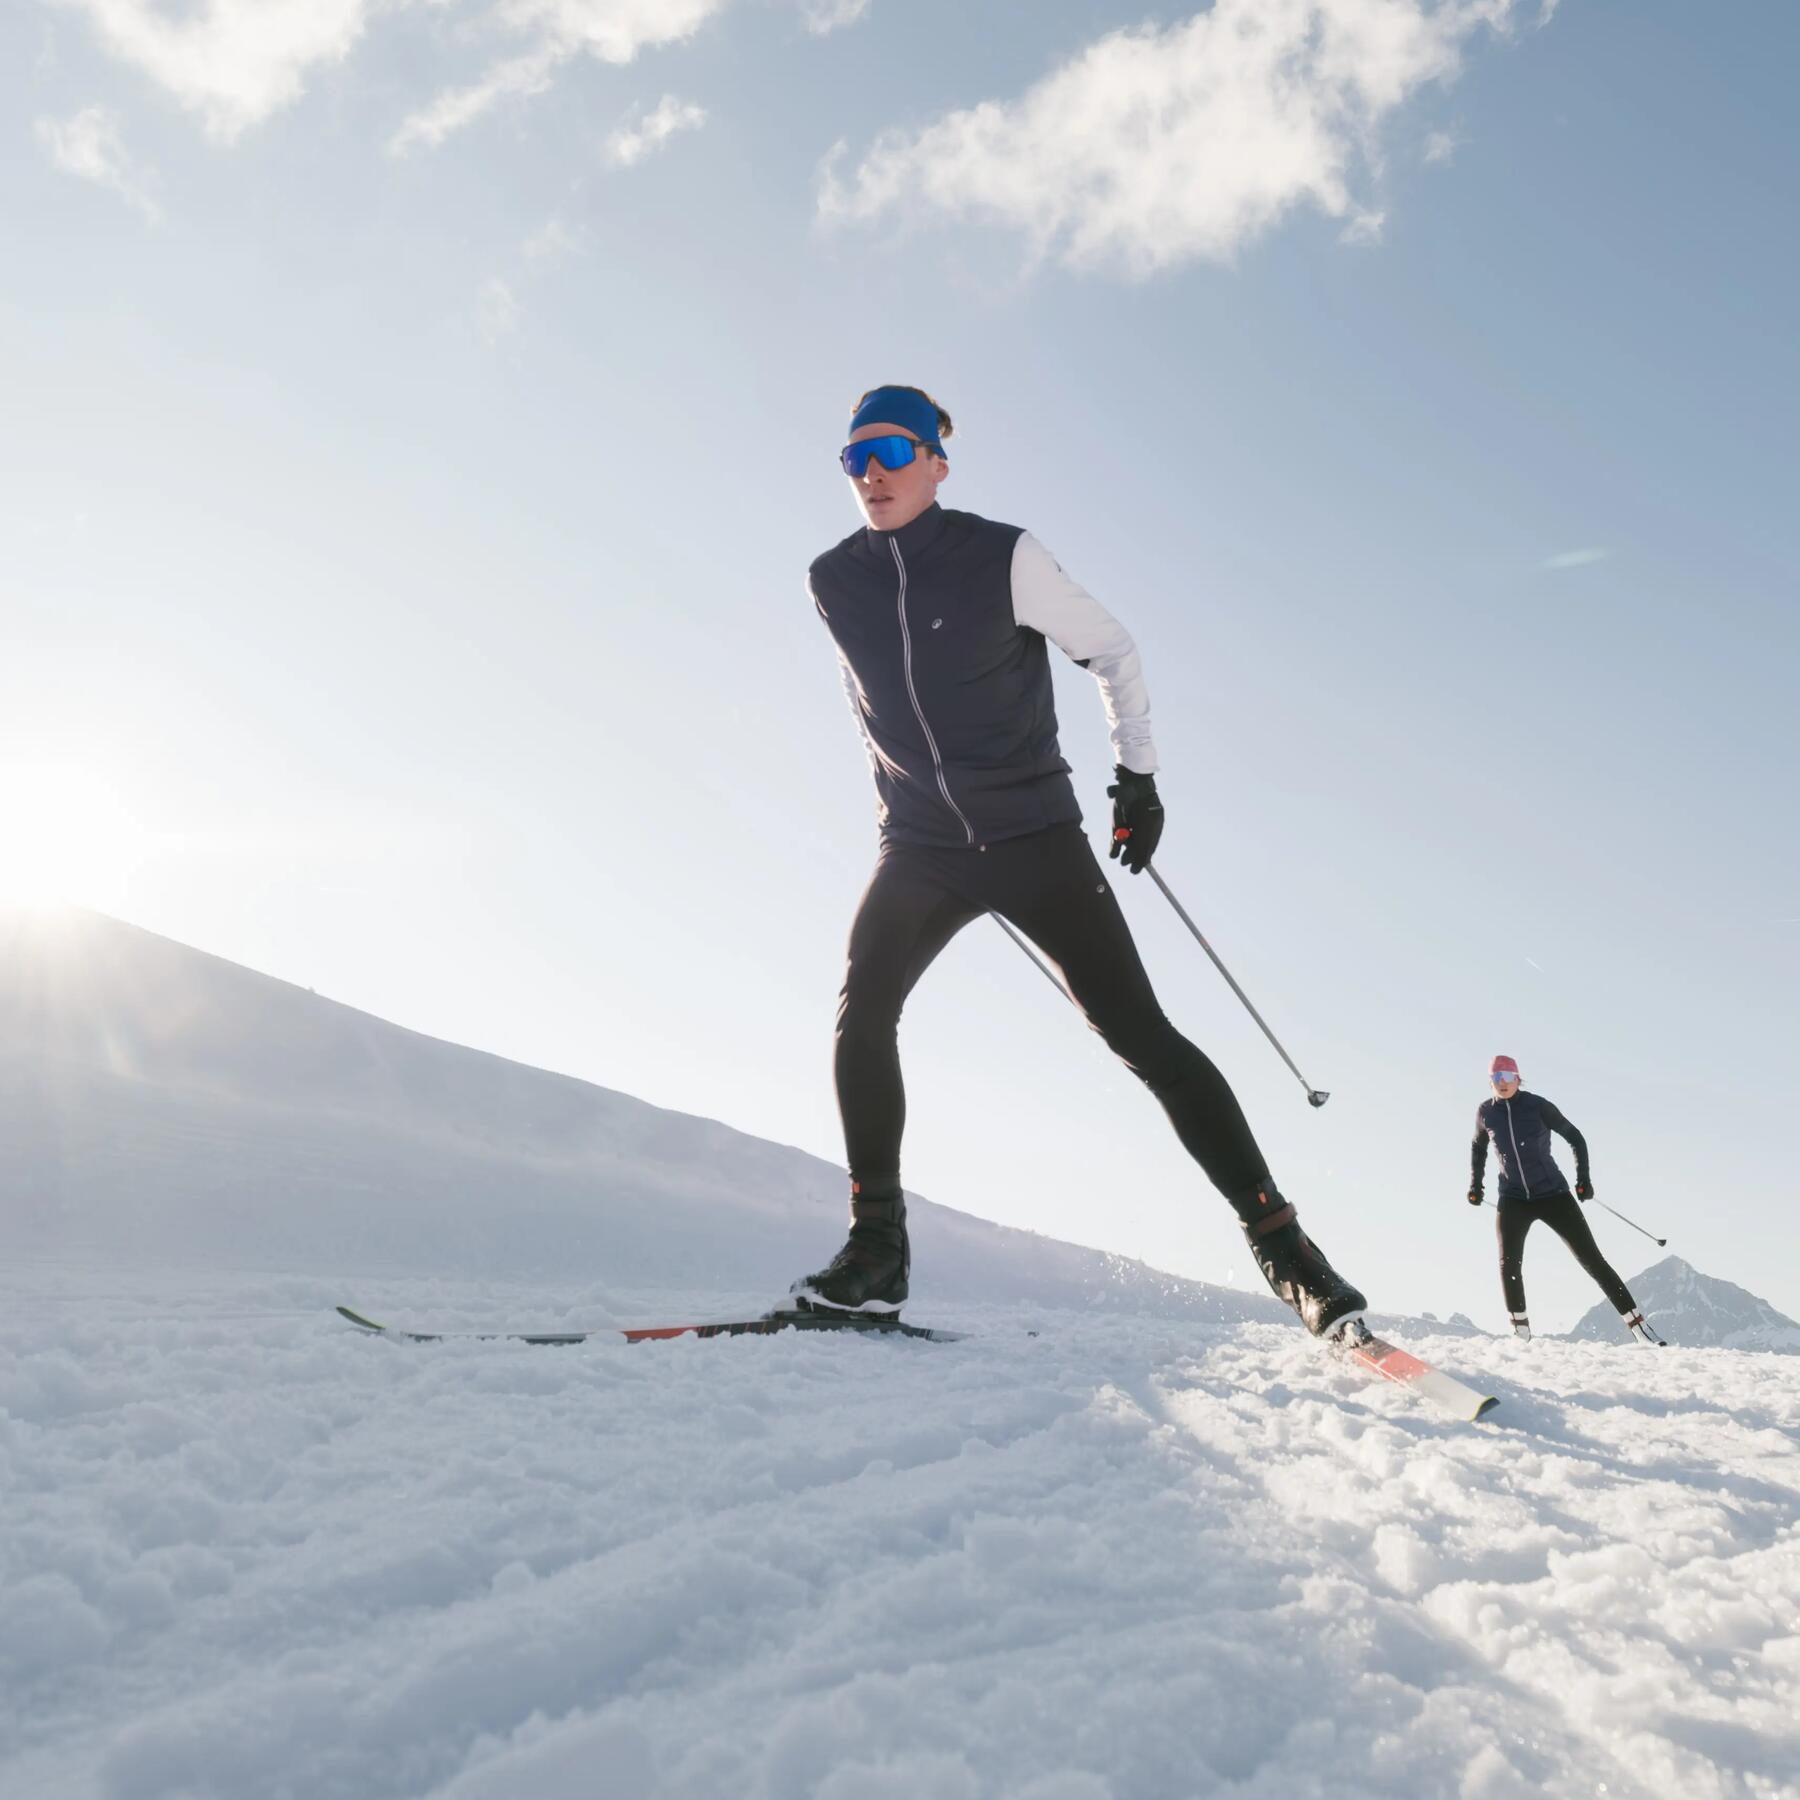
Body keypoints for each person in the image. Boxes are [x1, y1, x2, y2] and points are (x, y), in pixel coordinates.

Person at [789, 382, 1367, 1338]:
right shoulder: (831, 579)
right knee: (863, 1009)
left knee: (1142, 1037)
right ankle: (876, 1252)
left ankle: (1285, 1251)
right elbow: (872, 704)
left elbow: (1112, 649)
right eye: (854, 458)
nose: (873, 475)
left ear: (937, 459)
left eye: (892, 452)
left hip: (1032, 838)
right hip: (923, 844)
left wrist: (1137, 779)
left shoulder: (1003, 556)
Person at [1469, 1054, 1664, 1344]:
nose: (1504, 1083)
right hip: (1513, 1198)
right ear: (1490, 1082)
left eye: (1509, 1077)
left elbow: (1575, 1137)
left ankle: (1639, 1328)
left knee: (1591, 1259)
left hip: (1553, 1194)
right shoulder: (1486, 1112)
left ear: (1518, 1078)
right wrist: (1476, 1184)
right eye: (1497, 1078)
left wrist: (1583, 1179)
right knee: (1508, 1263)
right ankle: (1521, 1333)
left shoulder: (1537, 1106)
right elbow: (1478, 1146)